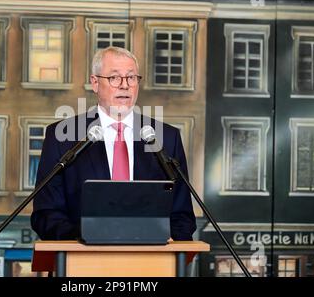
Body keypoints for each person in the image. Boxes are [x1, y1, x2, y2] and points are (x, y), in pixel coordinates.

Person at [31, 46, 196, 240]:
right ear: (95, 83)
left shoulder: (166, 138)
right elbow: (46, 214)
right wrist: (90, 237)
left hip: (150, 264)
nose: (124, 85)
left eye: (131, 77)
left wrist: (162, 240)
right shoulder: (62, 136)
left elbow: (182, 216)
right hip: (84, 262)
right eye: (114, 78)